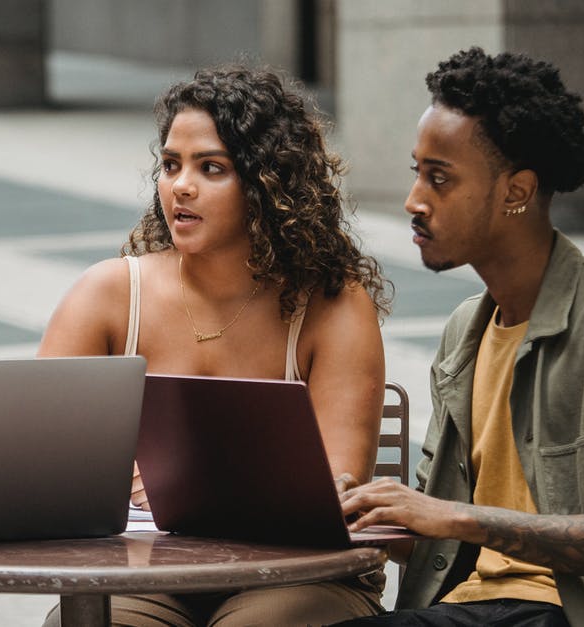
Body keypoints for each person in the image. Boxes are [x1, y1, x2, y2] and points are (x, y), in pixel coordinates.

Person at [333, 47, 584, 627]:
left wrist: (456, 516)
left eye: (440, 178)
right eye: (417, 172)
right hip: (475, 608)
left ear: (515, 192)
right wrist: (361, 515)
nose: (413, 201)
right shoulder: (464, 333)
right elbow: (441, 537)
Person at [37, 65, 391, 626]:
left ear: (268, 184)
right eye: (171, 164)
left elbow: (336, 485)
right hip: (145, 572)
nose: (181, 185)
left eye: (212, 168)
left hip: (296, 572)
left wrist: (179, 483)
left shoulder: (332, 306)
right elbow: (38, 449)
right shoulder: (108, 294)